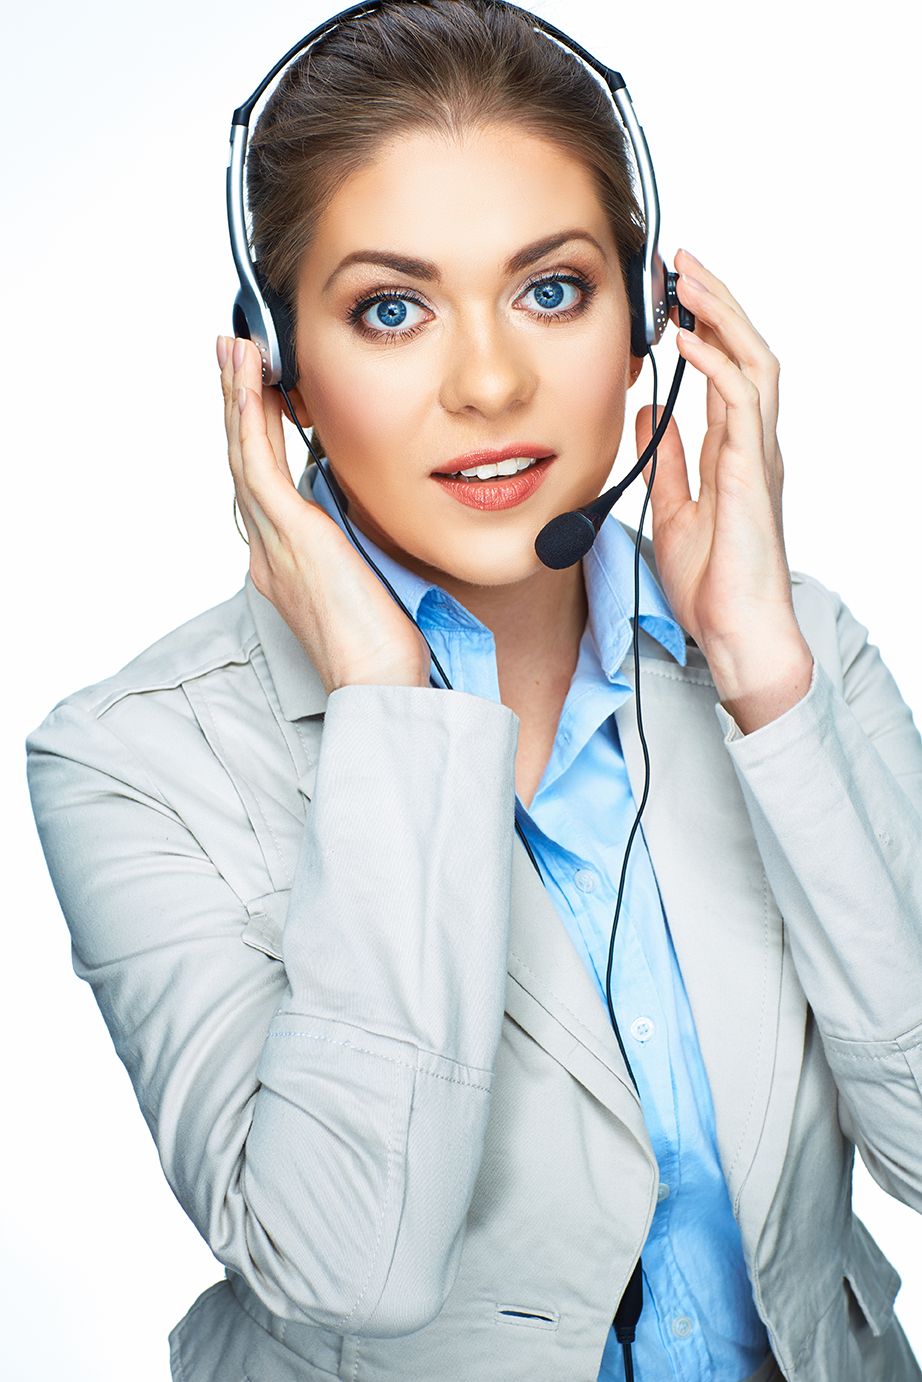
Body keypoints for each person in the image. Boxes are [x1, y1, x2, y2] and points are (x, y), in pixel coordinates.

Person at [26, 2, 922, 1379]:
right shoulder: (134, 758)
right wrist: (392, 711)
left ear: (644, 320)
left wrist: (760, 679)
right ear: (282, 377)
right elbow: (350, 1267)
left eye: (550, 288)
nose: (492, 382)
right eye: (390, 310)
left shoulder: (799, 659)